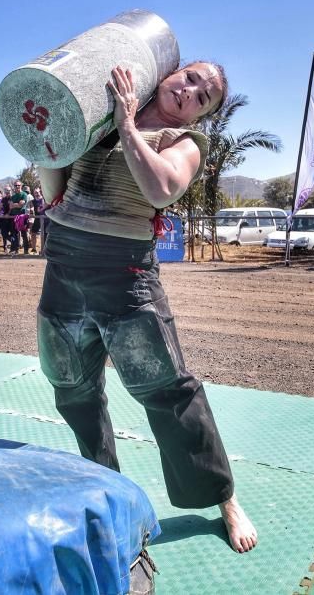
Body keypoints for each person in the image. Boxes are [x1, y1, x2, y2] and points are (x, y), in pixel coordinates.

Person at [37, 62, 257, 554]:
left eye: (204, 96)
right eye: (191, 77)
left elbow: (161, 188)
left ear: (200, 118)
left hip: (125, 277)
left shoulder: (184, 143)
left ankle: (224, 498)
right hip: (64, 268)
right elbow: (54, 191)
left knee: (170, 392)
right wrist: (49, 141)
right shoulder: (97, 121)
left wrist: (129, 127)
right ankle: (106, 491)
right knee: (73, 390)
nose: (191, 91)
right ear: (168, 74)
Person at [9, 180, 29, 254]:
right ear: (14, 186)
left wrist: (15, 204)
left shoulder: (24, 194)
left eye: (18, 185)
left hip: (22, 217)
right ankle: (15, 250)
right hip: (14, 217)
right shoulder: (13, 196)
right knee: (14, 234)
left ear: (21, 186)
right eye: (15, 185)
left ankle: (26, 251)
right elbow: (10, 206)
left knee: (24, 234)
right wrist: (17, 204)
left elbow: (21, 205)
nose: (17, 186)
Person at [29, 186, 49, 253]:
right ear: (33, 193)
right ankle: (34, 249)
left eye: (38, 192)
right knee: (33, 232)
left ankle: (44, 250)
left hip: (45, 219)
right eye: (35, 193)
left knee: (45, 234)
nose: (37, 194)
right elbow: (31, 208)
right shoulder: (32, 201)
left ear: (40, 192)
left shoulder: (45, 199)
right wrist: (31, 212)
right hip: (37, 218)